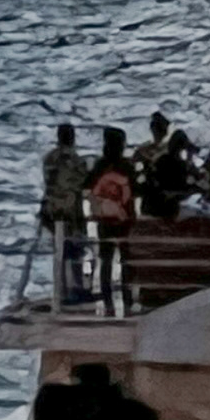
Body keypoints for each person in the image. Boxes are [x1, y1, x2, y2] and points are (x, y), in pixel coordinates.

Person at [39, 122, 91, 305]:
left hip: (51, 209)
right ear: (73, 137)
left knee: (59, 250)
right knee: (75, 249)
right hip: (71, 211)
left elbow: (48, 181)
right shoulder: (77, 161)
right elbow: (83, 182)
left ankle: (60, 290)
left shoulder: (49, 158)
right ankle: (76, 288)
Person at [86, 127, 138, 306]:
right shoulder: (127, 166)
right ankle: (128, 296)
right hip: (124, 219)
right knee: (126, 259)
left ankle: (107, 297)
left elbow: (88, 185)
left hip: (104, 219)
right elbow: (136, 189)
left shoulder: (100, 165)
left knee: (106, 259)